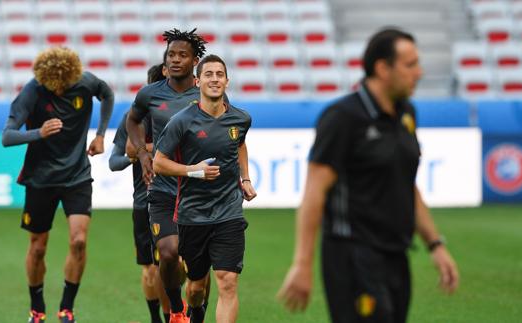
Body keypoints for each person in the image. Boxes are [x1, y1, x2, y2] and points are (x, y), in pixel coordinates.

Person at [277, 28, 459, 323]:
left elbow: (405, 185)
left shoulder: (407, 113)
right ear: (382, 68)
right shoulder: (343, 118)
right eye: (410, 65)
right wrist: (302, 263)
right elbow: (314, 194)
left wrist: (435, 244)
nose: (419, 72)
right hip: (352, 257)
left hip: (397, 256)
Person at [1, 47, 114, 323]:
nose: (60, 90)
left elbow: (107, 93)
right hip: (40, 180)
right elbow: (7, 136)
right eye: (55, 86)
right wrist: (38, 133)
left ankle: (66, 309)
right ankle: (37, 308)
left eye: (65, 85)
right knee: (38, 247)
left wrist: (100, 135)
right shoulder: (33, 91)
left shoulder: (85, 82)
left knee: (79, 241)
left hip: (77, 176)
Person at [153, 54, 256, 323]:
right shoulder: (181, 121)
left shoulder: (241, 119)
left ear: (227, 81)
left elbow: (240, 144)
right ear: (198, 81)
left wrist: (245, 178)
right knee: (197, 287)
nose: (214, 79)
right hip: (193, 215)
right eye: (208, 74)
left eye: (219, 74)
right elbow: (159, 163)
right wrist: (193, 170)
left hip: (229, 212)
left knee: (227, 281)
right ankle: (195, 312)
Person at [126, 28, 211, 323]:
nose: (175, 60)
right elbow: (132, 120)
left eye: (182, 55)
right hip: (162, 187)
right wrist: (143, 152)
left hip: (200, 189)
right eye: (171, 55)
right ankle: (176, 310)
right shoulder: (150, 93)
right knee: (168, 251)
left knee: (200, 265)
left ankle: (197, 313)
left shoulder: (206, 92)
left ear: (194, 60)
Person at [109, 63, 168, 323]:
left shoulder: (180, 115)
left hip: (177, 201)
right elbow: (114, 162)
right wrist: (135, 158)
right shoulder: (132, 118)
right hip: (144, 203)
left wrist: (149, 149)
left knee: (173, 268)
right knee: (152, 271)